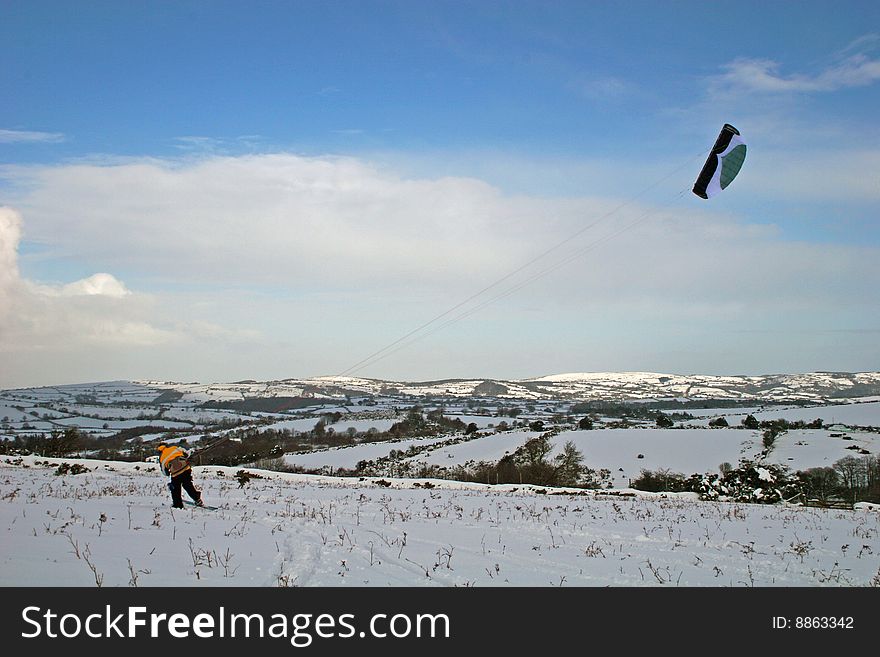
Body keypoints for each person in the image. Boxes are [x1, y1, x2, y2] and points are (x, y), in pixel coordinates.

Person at [156, 443, 203, 508]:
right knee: (188, 485)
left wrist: (168, 473)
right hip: (186, 468)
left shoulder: (161, 457)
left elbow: (164, 471)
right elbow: (186, 453)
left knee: (175, 489)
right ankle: (197, 499)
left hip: (175, 473)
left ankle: (178, 505)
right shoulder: (174, 448)